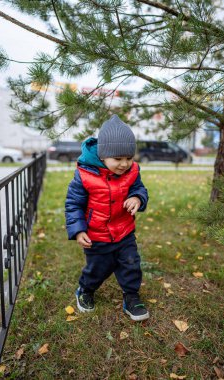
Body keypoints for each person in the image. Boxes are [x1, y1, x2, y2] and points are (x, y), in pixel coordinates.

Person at [65, 115, 149, 321]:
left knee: (131, 264)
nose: (124, 164)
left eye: (129, 158)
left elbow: (139, 188)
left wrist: (137, 198)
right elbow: (73, 204)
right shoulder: (85, 175)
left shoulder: (132, 171)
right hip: (97, 235)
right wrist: (78, 230)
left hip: (124, 231)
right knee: (97, 269)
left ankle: (131, 296)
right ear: (103, 156)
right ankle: (85, 290)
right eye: (118, 159)